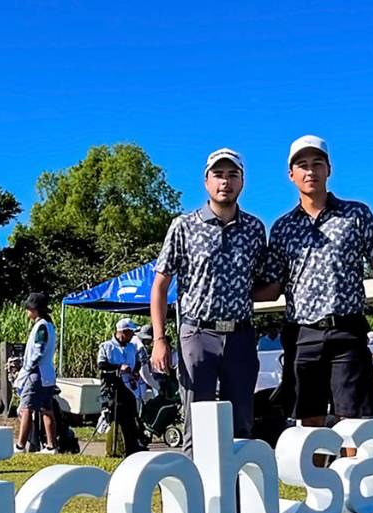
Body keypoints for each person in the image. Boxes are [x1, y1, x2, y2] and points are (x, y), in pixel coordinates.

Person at [150, 148, 279, 449]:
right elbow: (159, 286)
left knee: (241, 425)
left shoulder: (255, 229)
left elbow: (266, 286)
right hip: (197, 334)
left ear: (242, 181)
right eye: (218, 175)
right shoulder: (184, 225)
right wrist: (159, 339)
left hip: (241, 337)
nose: (225, 181)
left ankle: (237, 495)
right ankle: (197, 495)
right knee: (197, 424)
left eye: (232, 175)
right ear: (206, 182)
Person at [266, 135, 373, 430]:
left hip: (347, 331)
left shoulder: (357, 214)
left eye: (317, 164)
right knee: (309, 420)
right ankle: (319, 477)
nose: (310, 171)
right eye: (302, 165)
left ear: (329, 169)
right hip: (302, 335)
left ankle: (351, 476)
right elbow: (273, 287)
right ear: (291, 175)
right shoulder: (282, 228)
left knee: (352, 421)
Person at [14, 292, 58, 454]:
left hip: (36, 373)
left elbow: (38, 351)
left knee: (26, 408)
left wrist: (27, 369)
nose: (27, 312)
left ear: (35, 310)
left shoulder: (41, 327)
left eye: (28, 309)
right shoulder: (49, 325)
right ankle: (51, 445)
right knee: (47, 410)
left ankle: (20, 445)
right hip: (47, 374)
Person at [97, 318, 146, 455]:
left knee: (131, 416)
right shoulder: (106, 346)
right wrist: (119, 367)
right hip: (113, 386)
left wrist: (135, 371)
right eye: (131, 332)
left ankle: (132, 447)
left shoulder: (132, 347)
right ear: (123, 332)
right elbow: (101, 365)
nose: (133, 336)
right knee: (116, 417)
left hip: (130, 387)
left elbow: (137, 363)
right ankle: (115, 448)